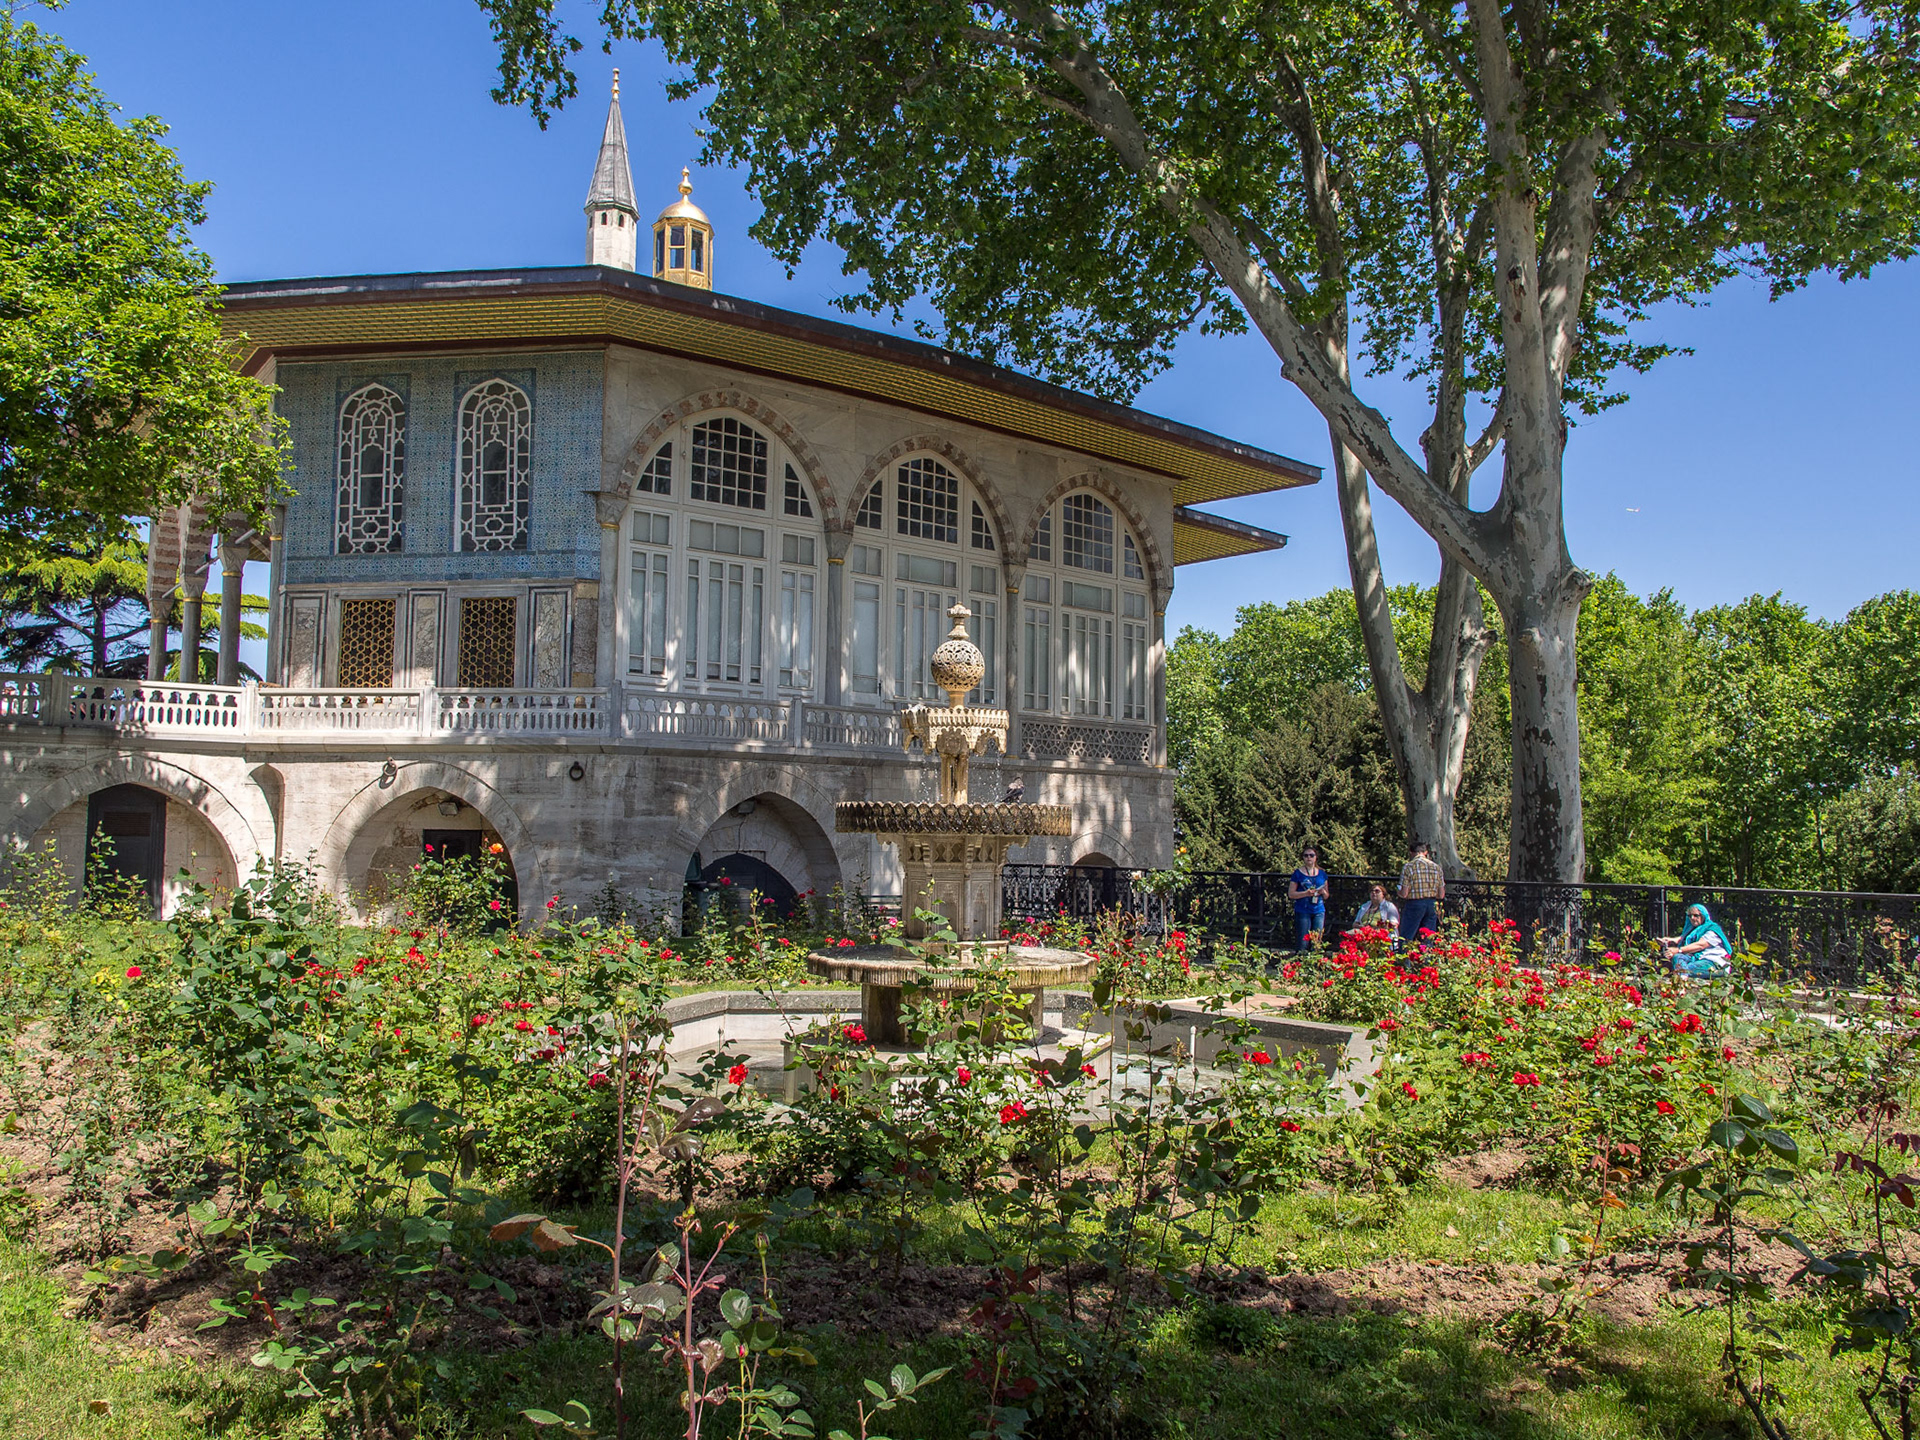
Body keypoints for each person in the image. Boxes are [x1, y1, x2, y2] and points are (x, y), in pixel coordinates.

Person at [1659, 903, 1733, 978]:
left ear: (1703, 915)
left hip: (1713, 963)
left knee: (1685, 969)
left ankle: (1681, 980)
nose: (1692, 918)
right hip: (1697, 959)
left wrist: (1678, 950)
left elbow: (1700, 945)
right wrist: (1668, 941)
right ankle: (1681, 978)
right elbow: (1682, 938)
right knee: (1678, 957)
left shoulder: (1712, 929)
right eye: (1690, 916)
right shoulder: (1694, 930)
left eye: (1696, 915)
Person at [1397, 839, 1444, 942]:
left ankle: (1404, 952)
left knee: (1407, 935)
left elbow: (1404, 893)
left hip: (1414, 903)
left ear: (1411, 852)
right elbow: (1441, 894)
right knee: (1429, 936)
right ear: (1425, 852)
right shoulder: (1436, 867)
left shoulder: (1409, 867)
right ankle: (1427, 952)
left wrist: (1398, 891)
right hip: (1432, 903)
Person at [1288, 845, 1329, 951]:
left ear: (1316, 857)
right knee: (1303, 941)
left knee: (1317, 941)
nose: (1309, 858)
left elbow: (1326, 895)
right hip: (1303, 910)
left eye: (1311, 855)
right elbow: (1291, 894)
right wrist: (1306, 893)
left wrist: (1322, 892)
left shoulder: (1322, 874)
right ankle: (1301, 959)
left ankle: (1315, 959)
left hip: (1318, 910)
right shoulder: (1297, 873)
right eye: (1306, 855)